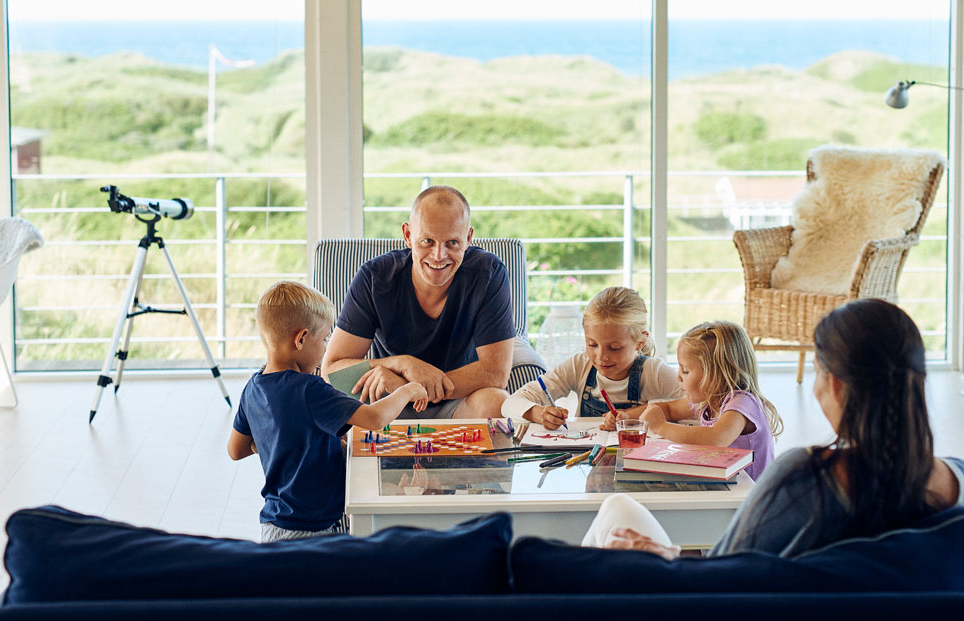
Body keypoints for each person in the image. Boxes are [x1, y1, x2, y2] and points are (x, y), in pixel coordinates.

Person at [582, 299, 964, 607]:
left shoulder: (805, 479)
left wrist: (667, 556)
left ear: (832, 383)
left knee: (617, 508)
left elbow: (719, 585)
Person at [227, 281, 425, 543]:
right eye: (323, 339)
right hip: (310, 530)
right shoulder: (310, 389)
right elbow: (375, 419)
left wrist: (279, 441)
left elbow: (236, 450)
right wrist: (409, 390)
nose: (324, 349)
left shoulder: (253, 387)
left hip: (274, 526)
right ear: (301, 339)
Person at [323, 186, 512, 419]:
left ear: (468, 238)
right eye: (427, 241)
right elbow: (331, 371)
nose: (439, 255)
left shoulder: (489, 272)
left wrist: (409, 387)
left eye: (452, 242)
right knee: (343, 408)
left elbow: (495, 373)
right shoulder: (375, 278)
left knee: (497, 403)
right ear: (408, 235)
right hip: (390, 404)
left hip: (456, 400)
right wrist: (401, 364)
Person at [500, 287, 680, 429]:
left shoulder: (654, 372)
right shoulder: (579, 365)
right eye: (592, 344)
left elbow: (699, 408)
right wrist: (538, 413)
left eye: (614, 348)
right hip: (587, 464)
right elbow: (509, 404)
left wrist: (640, 413)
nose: (601, 357)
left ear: (640, 342)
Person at [630, 320, 781, 482]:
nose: (678, 376)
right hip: (728, 484)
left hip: (750, 496)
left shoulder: (742, 404)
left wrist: (661, 426)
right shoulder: (710, 401)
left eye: (685, 371)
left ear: (716, 376)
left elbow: (715, 439)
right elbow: (669, 409)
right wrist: (627, 416)